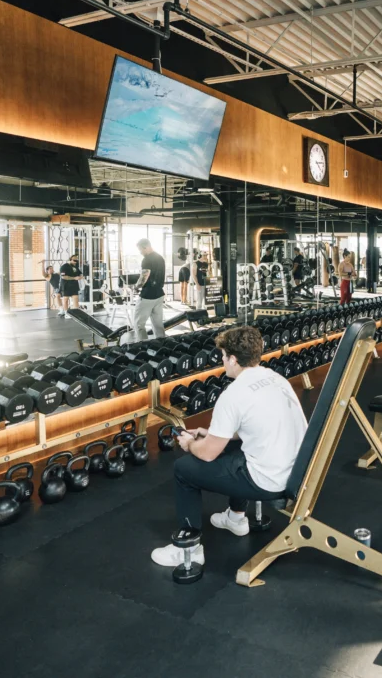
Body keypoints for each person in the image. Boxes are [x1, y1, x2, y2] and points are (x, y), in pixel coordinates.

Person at [151, 326, 306, 568]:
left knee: (184, 469)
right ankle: (235, 518)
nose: (222, 361)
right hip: (297, 472)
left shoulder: (234, 394)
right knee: (237, 447)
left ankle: (189, 550)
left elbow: (208, 453)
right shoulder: (276, 379)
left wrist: (190, 443)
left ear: (233, 359)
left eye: (223, 356)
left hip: (269, 481)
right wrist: (210, 433)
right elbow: (255, 424)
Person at [133, 239, 166, 342]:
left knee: (138, 323)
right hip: (159, 294)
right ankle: (162, 345)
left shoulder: (147, 259)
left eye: (140, 250)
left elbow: (144, 275)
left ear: (146, 247)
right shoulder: (160, 258)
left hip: (148, 296)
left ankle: (142, 347)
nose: (140, 252)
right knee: (158, 324)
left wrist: (136, 286)